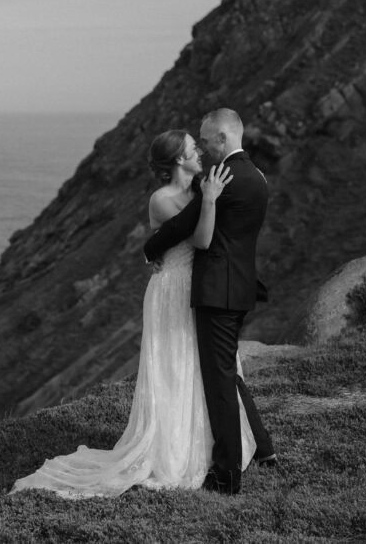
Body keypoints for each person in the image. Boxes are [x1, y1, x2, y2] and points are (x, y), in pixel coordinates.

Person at [10, 129, 256, 498]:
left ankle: (214, 447)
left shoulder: (203, 186)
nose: (200, 153)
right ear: (178, 160)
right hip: (173, 288)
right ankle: (176, 451)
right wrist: (208, 201)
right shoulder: (163, 199)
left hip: (203, 288)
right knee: (175, 367)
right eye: (193, 149)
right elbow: (202, 238)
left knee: (207, 368)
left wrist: (212, 196)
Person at [143, 108, 276, 496]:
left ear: (221, 139)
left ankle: (227, 473)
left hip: (215, 291)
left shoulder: (222, 181)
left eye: (204, 139)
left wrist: (149, 251)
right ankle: (262, 449)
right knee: (226, 372)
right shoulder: (258, 177)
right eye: (193, 144)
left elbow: (187, 232)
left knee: (218, 381)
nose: (201, 146)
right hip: (233, 288)